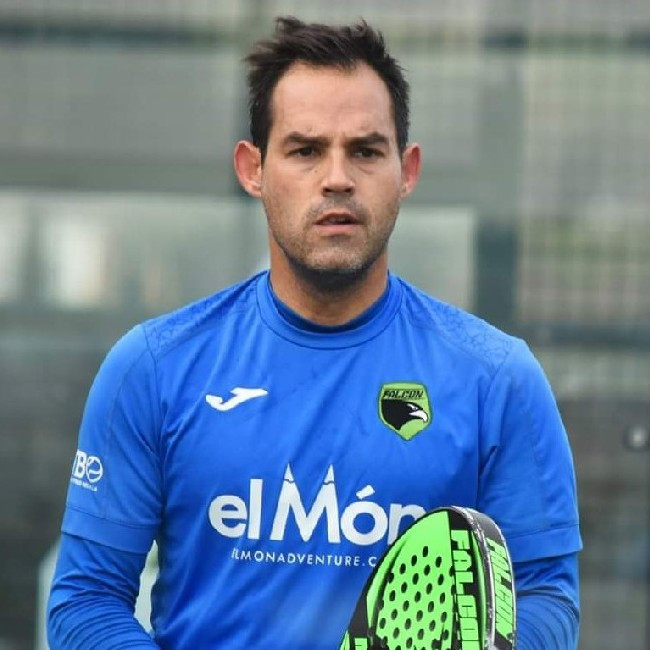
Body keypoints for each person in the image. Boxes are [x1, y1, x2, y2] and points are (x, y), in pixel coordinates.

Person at [47, 16, 582, 650]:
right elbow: (85, 602)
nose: (337, 178)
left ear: (407, 170)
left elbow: (546, 596)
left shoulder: (498, 379)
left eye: (366, 151)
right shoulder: (154, 367)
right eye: (305, 150)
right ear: (253, 169)